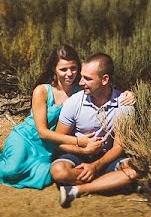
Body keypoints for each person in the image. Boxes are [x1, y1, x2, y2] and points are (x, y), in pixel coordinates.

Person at [0, 44, 133, 189]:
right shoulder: (42, 91)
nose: (70, 74)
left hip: (53, 148)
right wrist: (81, 143)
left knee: (46, 178)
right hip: (28, 139)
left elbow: (104, 88)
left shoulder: (82, 89)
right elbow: (42, 132)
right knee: (10, 171)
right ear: (54, 70)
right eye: (63, 69)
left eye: (73, 68)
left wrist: (131, 94)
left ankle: (90, 184)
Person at [50, 52, 141, 207]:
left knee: (134, 170)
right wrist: (84, 151)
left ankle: (77, 189)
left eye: (88, 78)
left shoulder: (124, 105)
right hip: (79, 155)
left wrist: (95, 166)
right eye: (82, 76)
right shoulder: (74, 102)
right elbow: (59, 141)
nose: (81, 82)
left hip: (109, 158)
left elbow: (119, 146)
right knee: (59, 171)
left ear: (105, 79)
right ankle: (110, 181)